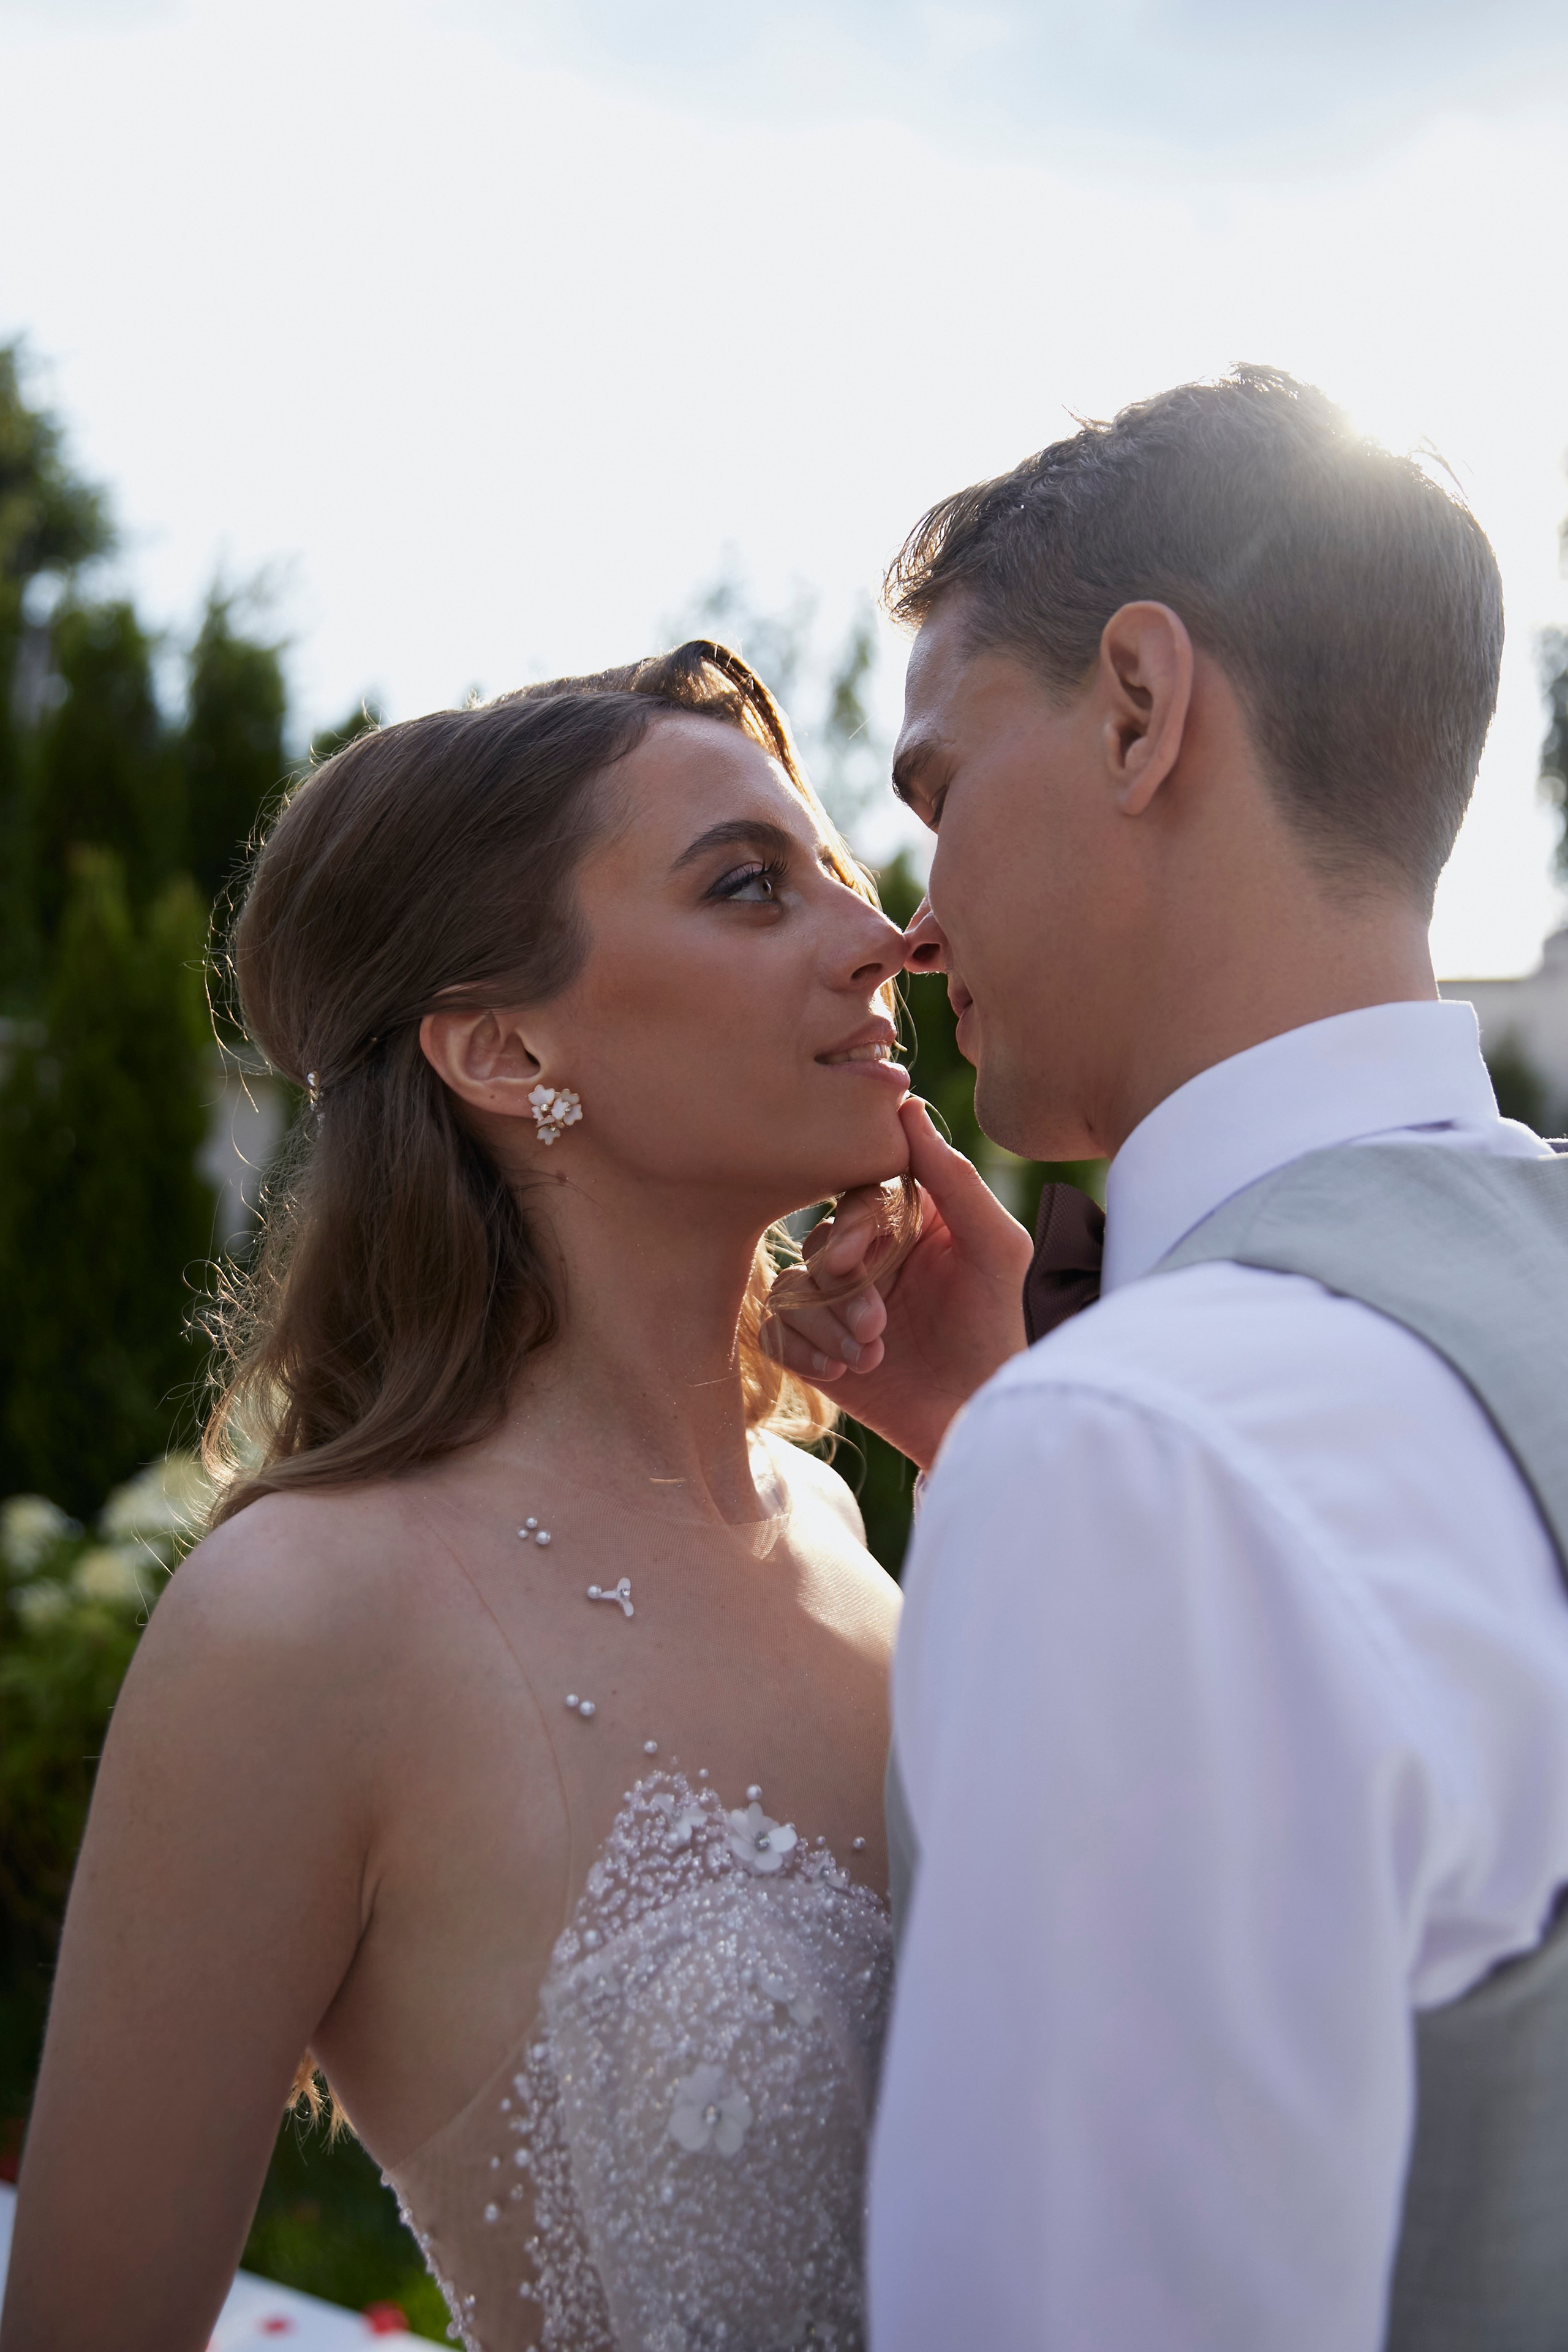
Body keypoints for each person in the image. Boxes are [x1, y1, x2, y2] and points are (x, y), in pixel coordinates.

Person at [767, 368, 1568, 2348]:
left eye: (939, 793)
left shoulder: (1150, 1454)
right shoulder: (1181, 1426)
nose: (919, 930)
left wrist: (1061, 1448)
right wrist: (995, 1437)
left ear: (1142, 706)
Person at [1, 645, 918, 2352]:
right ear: (504, 1052)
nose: (882, 940)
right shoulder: (304, 1620)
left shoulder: (855, 1529)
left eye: (841, 876)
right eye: (746, 888)